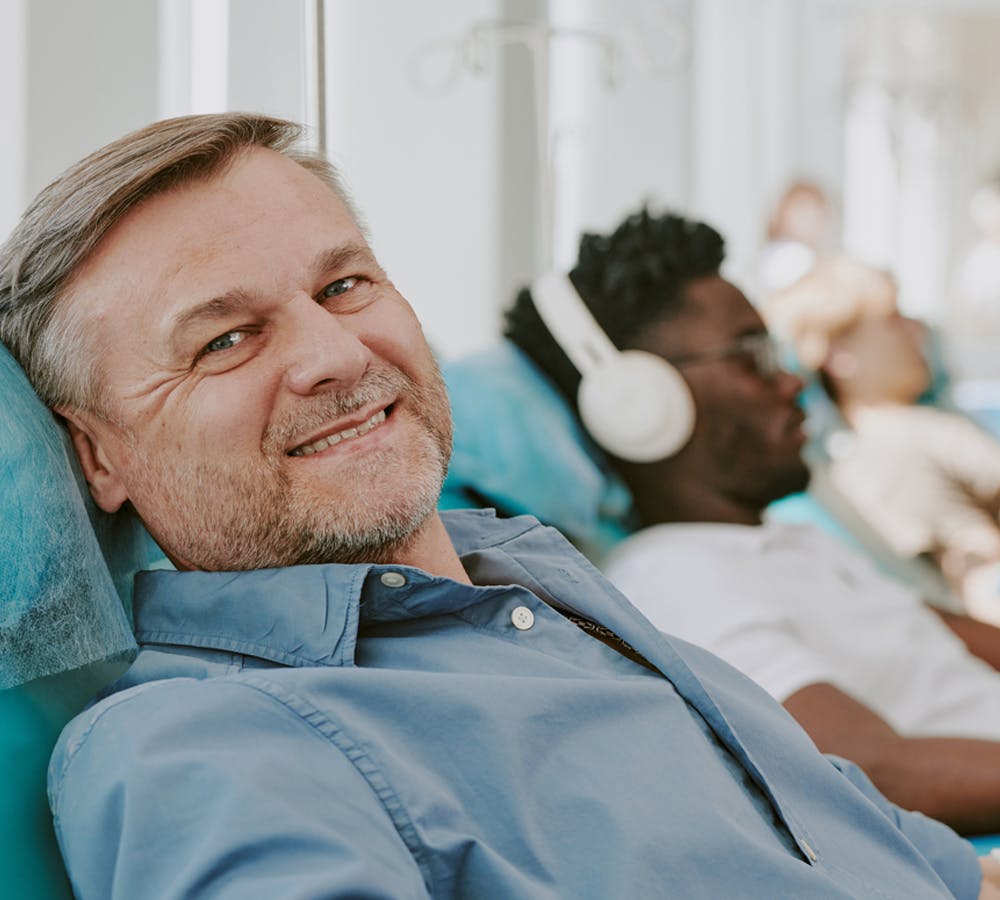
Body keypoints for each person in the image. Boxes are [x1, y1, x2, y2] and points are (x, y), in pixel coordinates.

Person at [0, 115, 995, 900]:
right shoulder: (198, 747)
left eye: (345, 285)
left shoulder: (557, 590)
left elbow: (905, 860)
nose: (340, 355)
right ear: (97, 453)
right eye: (224, 341)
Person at [493, 208, 1000, 836]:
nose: (791, 380)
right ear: (640, 404)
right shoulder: (678, 577)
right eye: (753, 355)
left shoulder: (784, 539)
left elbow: (943, 634)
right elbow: (870, 772)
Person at [766, 257, 1000, 624]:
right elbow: (977, 572)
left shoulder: (848, 461)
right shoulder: (911, 435)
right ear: (839, 352)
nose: (917, 332)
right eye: (894, 319)